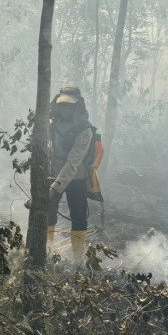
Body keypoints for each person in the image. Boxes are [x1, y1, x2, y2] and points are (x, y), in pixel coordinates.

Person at [47, 85, 93, 266]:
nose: (65, 109)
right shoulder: (51, 122)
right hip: (53, 174)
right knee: (48, 215)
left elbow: (73, 163)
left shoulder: (85, 130)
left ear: (77, 106)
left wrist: (55, 187)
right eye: (62, 105)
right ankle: (46, 254)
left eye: (69, 106)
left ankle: (79, 263)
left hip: (76, 178)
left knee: (79, 218)